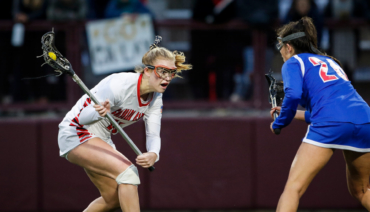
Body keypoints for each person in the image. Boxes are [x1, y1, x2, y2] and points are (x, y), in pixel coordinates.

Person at [58, 37, 192, 212]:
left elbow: (153, 134)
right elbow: (82, 119)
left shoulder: (155, 98)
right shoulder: (119, 84)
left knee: (112, 200)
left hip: (100, 138)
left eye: (171, 72)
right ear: (147, 71)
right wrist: (98, 112)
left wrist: (153, 153)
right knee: (129, 173)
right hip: (77, 132)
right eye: (162, 71)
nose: (167, 78)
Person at [270, 17, 370, 211]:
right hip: (365, 119)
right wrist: (293, 113)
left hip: (332, 121)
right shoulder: (330, 61)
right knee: (362, 191)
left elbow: (292, 95)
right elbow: (333, 109)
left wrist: (279, 123)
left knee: (293, 188)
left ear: (289, 46)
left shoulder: (293, 62)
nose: (280, 51)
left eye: (280, 45)